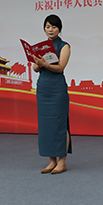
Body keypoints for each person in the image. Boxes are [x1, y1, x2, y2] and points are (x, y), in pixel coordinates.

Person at [32, 14, 72, 174]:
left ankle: (62, 162)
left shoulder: (64, 46)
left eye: (54, 27)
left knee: (59, 124)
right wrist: (38, 64)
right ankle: (51, 161)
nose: (50, 30)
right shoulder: (41, 47)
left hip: (57, 89)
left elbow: (60, 67)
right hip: (43, 88)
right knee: (46, 125)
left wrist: (45, 64)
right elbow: (35, 68)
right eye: (48, 27)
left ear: (59, 29)